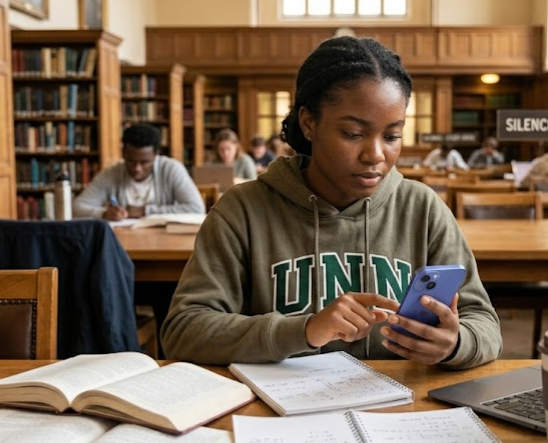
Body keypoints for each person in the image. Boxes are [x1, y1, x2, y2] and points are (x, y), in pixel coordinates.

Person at [161, 36, 501, 369]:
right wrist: (304, 330)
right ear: (309, 123)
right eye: (353, 134)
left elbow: (484, 324)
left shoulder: (422, 209)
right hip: (277, 414)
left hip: (399, 409)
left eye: (392, 135)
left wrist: (456, 343)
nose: (376, 154)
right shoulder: (243, 210)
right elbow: (183, 331)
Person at [72, 123, 204, 219]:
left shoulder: (171, 169)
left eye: (144, 162)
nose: (137, 168)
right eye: (131, 161)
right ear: (123, 153)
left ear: (156, 155)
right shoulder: (111, 174)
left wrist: (145, 211)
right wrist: (104, 213)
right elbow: (77, 207)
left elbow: (197, 209)